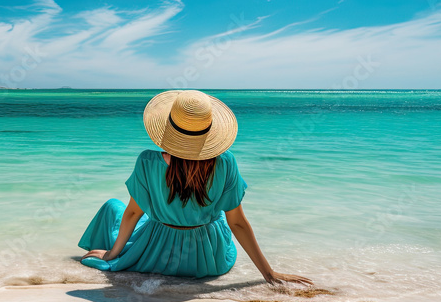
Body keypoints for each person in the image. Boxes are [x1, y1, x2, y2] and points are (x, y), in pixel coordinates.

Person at [78, 89, 312, 285]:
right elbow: (238, 222)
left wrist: (112, 255)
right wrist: (268, 274)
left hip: (156, 255)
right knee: (217, 217)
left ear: (169, 129)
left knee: (113, 207)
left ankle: (105, 251)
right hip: (208, 260)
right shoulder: (226, 161)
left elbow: (132, 213)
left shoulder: (148, 161)